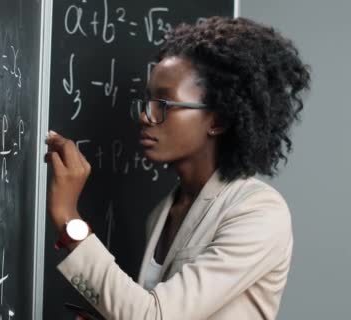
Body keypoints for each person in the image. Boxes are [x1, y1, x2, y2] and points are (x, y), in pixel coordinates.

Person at [45, 16, 311, 320]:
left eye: (165, 105)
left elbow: (153, 316)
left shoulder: (257, 211)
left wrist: (69, 219)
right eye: (148, 101)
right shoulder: (160, 214)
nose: (146, 116)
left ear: (218, 120)